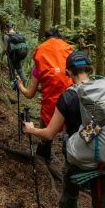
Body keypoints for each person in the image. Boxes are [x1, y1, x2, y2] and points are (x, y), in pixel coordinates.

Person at [22, 51, 105, 208]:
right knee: (102, 202)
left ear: (68, 72)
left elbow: (49, 134)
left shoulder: (68, 96)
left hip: (77, 159)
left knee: (70, 188)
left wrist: (31, 129)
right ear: (90, 69)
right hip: (104, 158)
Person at [17, 28, 72, 162]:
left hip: (51, 108)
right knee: (72, 136)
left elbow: (30, 94)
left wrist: (20, 86)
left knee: (46, 138)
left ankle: (44, 164)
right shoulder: (71, 61)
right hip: (72, 105)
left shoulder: (41, 63)